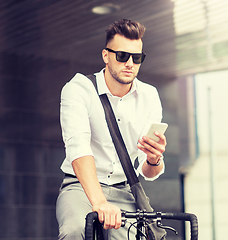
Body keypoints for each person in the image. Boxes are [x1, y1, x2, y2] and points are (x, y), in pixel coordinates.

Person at [56, 19, 167, 240]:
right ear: (106, 56)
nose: (130, 64)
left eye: (137, 58)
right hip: (80, 187)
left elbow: (148, 172)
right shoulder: (78, 89)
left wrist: (154, 159)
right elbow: (78, 148)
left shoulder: (150, 96)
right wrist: (99, 202)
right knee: (75, 230)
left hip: (124, 189)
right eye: (122, 56)